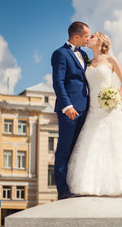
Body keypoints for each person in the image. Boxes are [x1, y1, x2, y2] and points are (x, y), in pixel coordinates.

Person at [66, 32, 122, 196]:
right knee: (93, 144)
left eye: (92, 36)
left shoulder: (110, 60)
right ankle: (92, 186)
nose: (88, 38)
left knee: (114, 145)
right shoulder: (87, 62)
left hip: (109, 108)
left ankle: (119, 185)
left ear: (100, 41)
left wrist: (115, 97)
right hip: (93, 109)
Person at [51, 21, 90, 200]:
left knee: (78, 149)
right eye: (86, 36)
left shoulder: (84, 54)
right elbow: (58, 82)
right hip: (69, 110)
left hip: (85, 109)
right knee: (64, 149)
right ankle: (63, 191)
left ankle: (75, 185)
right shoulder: (60, 54)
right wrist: (67, 106)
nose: (88, 39)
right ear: (77, 36)